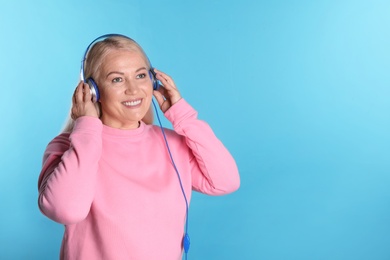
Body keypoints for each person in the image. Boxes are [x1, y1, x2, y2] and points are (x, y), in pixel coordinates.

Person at [37, 34, 240, 260]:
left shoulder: (170, 143)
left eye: (141, 75)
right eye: (117, 79)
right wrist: (86, 128)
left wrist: (183, 115)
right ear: (93, 90)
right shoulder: (67, 147)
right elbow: (66, 209)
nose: (133, 89)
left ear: (153, 81)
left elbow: (225, 181)